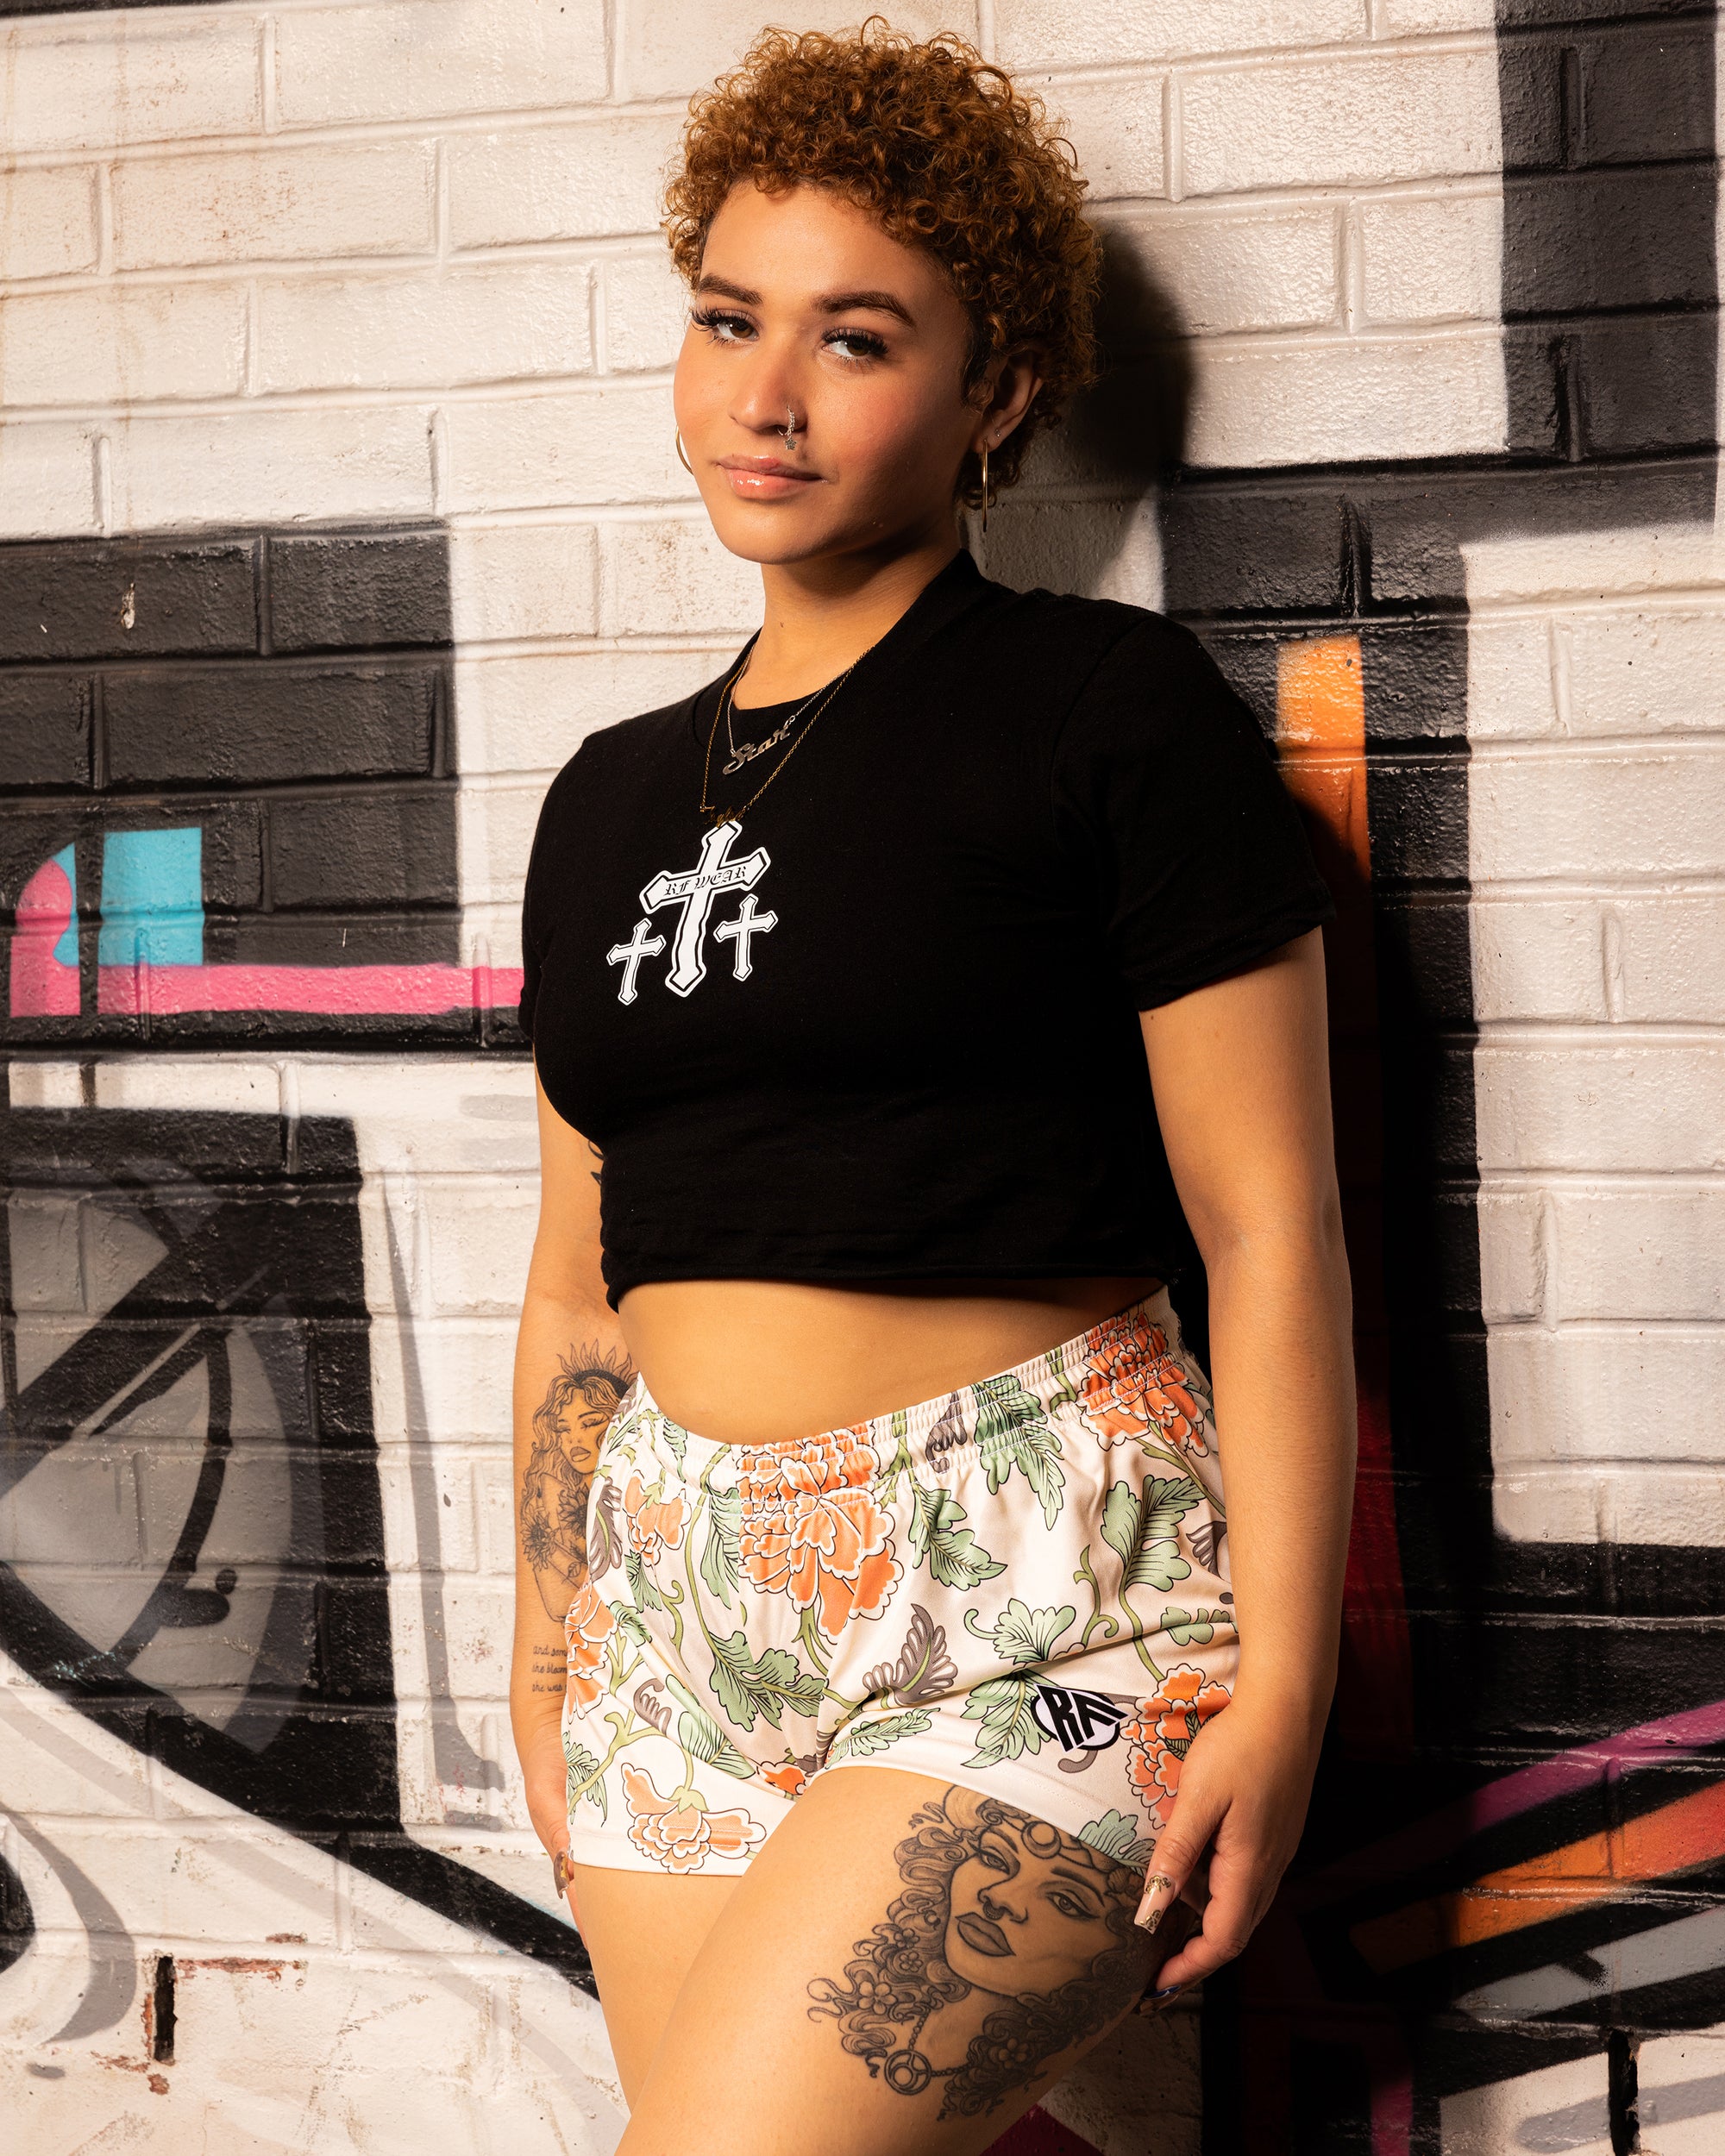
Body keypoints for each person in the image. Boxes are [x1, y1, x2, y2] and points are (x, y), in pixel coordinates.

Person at [508, 22, 1356, 2153]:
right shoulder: (603, 800)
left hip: (1034, 1594)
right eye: (729, 320)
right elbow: (580, 1273)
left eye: (856, 337)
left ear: (996, 395)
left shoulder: (1104, 712)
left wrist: (1288, 1677)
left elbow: (1268, 1222)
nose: (766, 395)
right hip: (667, 1625)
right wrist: (546, 1646)